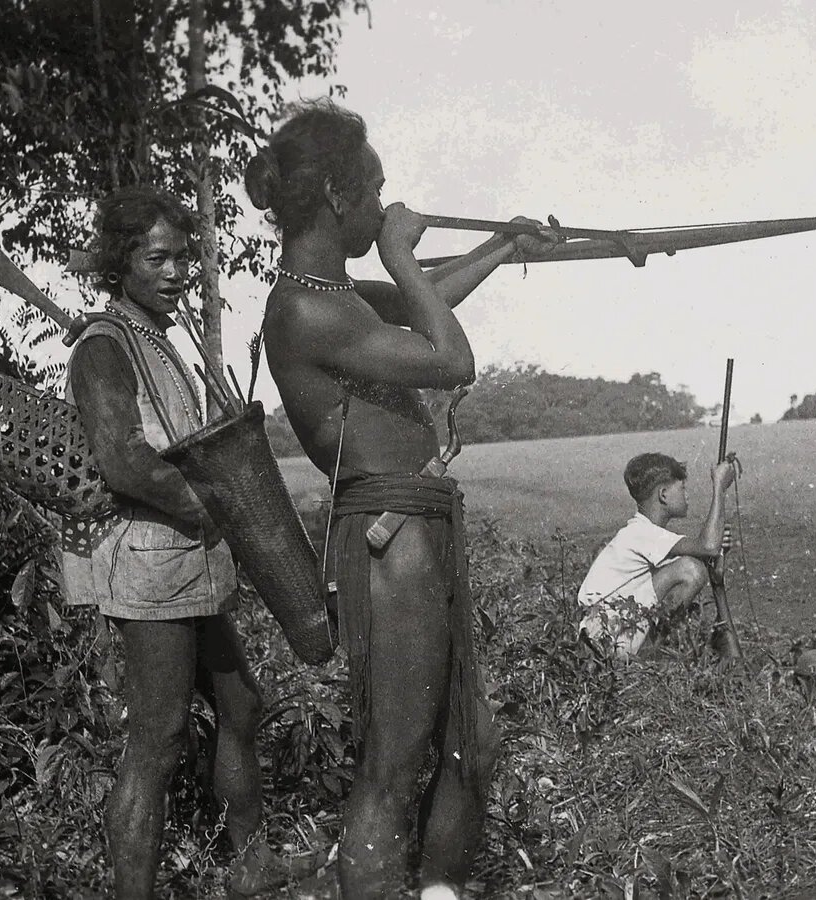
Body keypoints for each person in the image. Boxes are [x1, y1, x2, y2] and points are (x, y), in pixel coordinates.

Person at [243, 99, 559, 899]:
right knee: (393, 763)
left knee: (468, 745)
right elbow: (450, 359)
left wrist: (501, 245)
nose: (386, 206)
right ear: (337, 196)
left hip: (417, 526)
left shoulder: (336, 295)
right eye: (376, 190)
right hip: (390, 539)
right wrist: (398, 254)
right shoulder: (306, 309)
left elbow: (429, 301)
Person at [60, 185, 312, 899]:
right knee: (159, 739)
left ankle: (251, 866)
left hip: (186, 557)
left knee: (241, 705)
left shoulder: (155, 339)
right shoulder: (104, 346)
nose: (175, 273)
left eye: (182, 258)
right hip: (150, 565)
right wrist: (217, 505)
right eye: (157, 260)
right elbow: (123, 461)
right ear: (121, 263)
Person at [577, 452, 738, 659]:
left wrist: (714, 560)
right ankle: (644, 662)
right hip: (605, 638)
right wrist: (719, 488)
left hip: (606, 635)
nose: (687, 495)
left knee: (690, 565)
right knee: (690, 570)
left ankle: (645, 658)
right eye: (682, 488)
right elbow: (708, 546)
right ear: (663, 495)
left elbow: (708, 548)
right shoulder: (641, 533)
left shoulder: (644, 535)